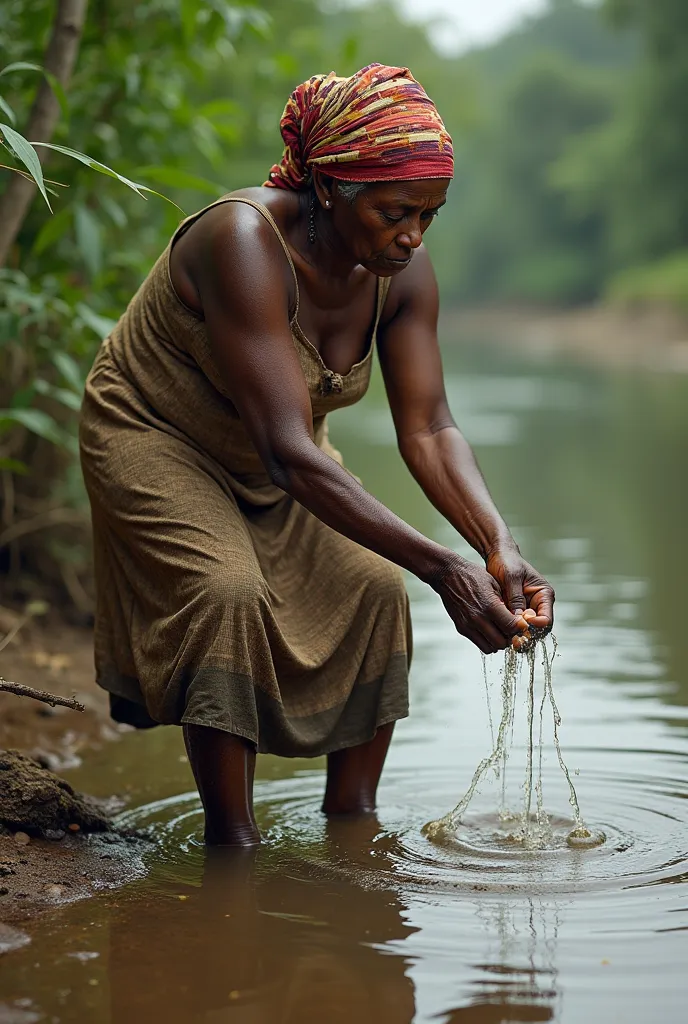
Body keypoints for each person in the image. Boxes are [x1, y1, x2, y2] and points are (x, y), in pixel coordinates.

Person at [79, 63, 554, 847]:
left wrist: (497, 548)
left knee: (374, 590)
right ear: (330, 187)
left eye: (430, 215)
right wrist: (442, 567)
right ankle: (232, 845)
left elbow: (430, 426)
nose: (413, 234)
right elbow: (289, 454)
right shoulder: (240, 241)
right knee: (226, 593)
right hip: (155, 433)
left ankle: (352, 831)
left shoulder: (400, 273)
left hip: (279, 451)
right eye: (396, 211)